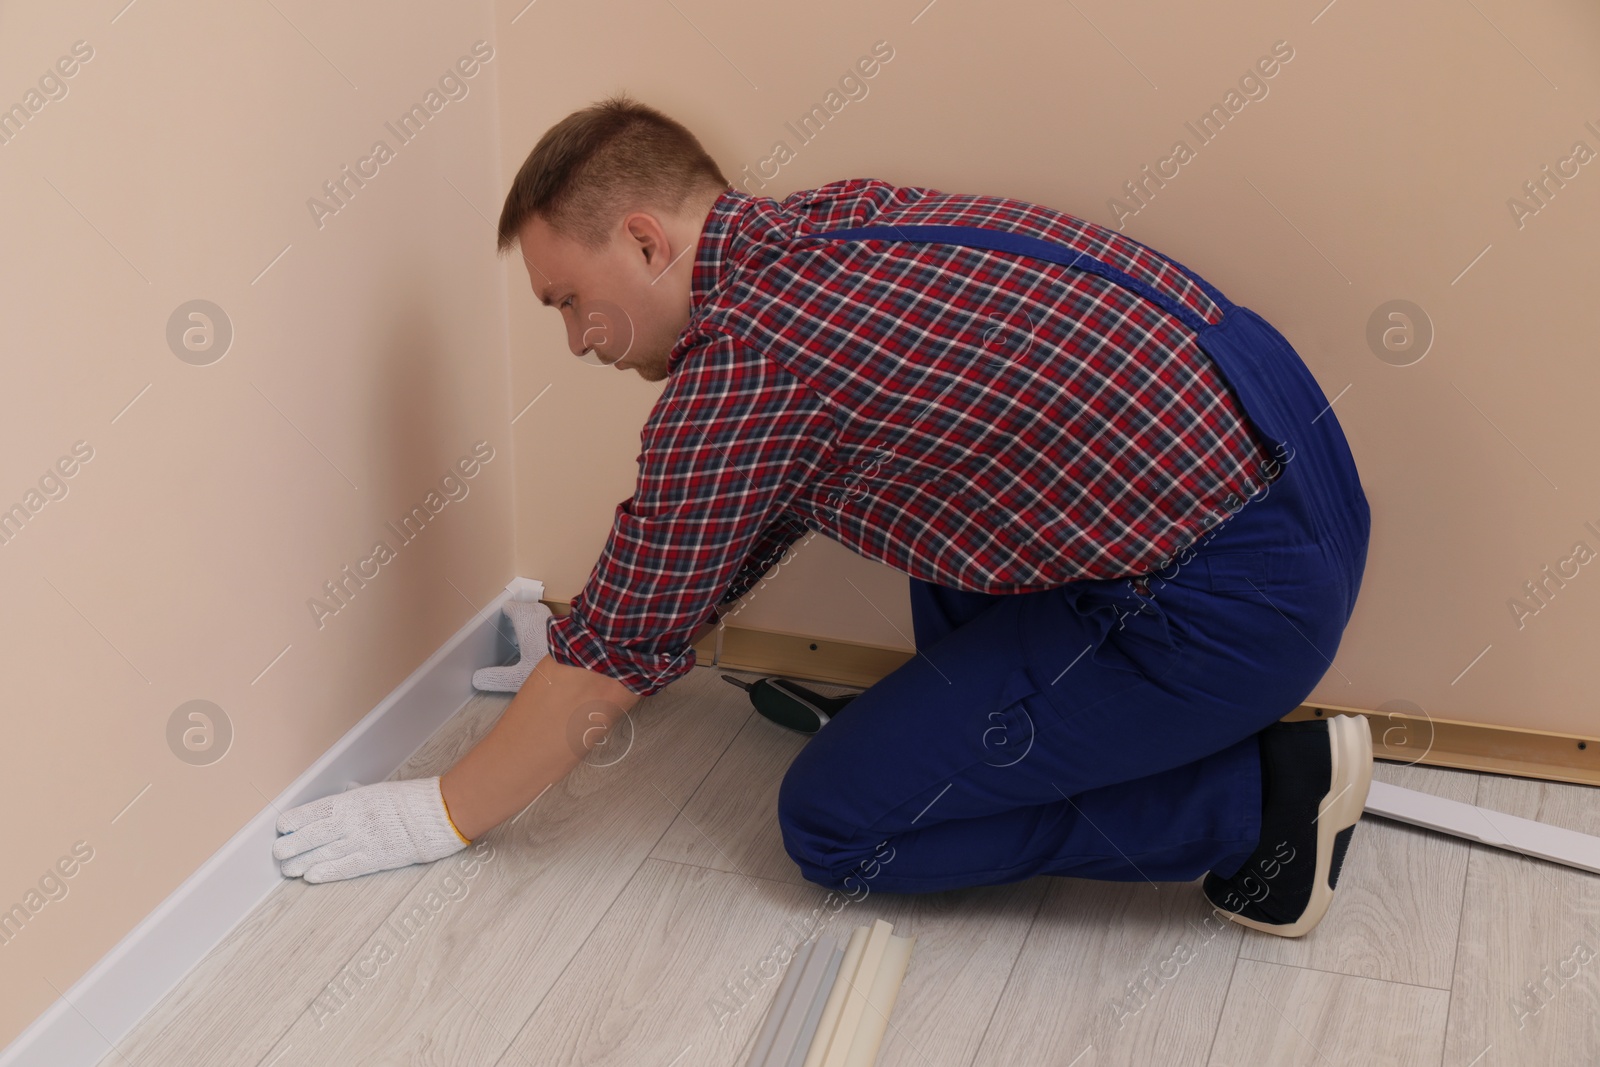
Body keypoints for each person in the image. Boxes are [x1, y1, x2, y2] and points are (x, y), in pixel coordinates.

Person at [274, 92, 1374, 939]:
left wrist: (441, 813)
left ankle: (1261, 801)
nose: (576, 341)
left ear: (651, 243)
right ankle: (1100, 731)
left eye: (569, 300)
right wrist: (612, 641)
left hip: (1229, 592)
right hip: (1288, 455)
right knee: (931, 544)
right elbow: (715, 539)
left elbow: (615, 646)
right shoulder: (831, 223)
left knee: (840, 823)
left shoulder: (741, 374)